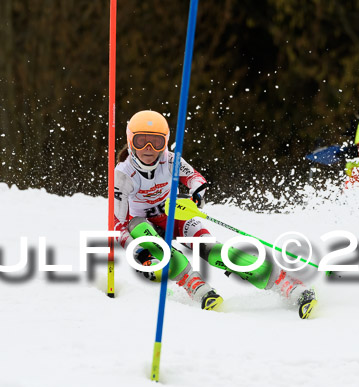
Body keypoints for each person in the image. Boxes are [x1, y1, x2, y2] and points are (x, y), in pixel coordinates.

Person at [114, 110, 317, 318]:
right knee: (137, 226)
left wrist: (197, 194)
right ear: (131, 141)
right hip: (145, 225)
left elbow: (195, 179)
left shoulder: (171, 161)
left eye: (156, 142)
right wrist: (138, 251)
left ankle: (290, 286)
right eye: (141, 141)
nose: (149, 149)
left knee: (213, 250)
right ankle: (197, 287)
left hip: (177, 217)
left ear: (164, 142)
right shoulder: (123, 174)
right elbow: (117, 225)